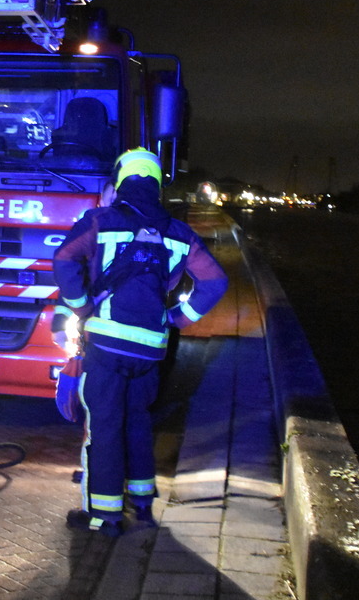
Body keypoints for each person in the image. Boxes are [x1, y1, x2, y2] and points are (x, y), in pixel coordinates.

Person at [52, 148, 228, 536]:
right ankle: (143, 505)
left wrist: (81, 307)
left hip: (108, 346)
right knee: (136, 423)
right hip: (151, 349)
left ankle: (105, 517)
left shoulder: (101, 220)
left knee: (106, 427)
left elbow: (64, 259)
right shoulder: (179, 233)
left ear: (121, 182)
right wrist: (178, 318)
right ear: (156, 185)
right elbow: (215, 281)